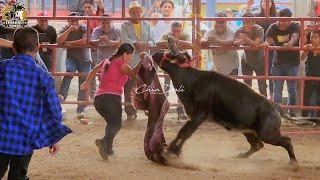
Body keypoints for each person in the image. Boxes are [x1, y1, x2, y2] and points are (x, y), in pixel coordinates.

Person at [0, 27, 71, 180]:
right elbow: (55, 112)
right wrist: (52, 138)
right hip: (25, 140)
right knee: (18, 176)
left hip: (2, 136)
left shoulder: (3, 68)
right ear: (38, 48)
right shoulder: (44, 77)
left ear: (13, 48)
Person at [80, 43, 139, 159]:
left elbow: (94, 69)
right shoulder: (122, 65)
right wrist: (143, 60)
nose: (131, 58)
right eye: (131, 56)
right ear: (125, 54)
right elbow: (135, 74)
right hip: (111, 98)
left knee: (111, 123)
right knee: (116, 124)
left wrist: (87, 82)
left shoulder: (107, 61)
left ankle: (109, 148)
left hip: (98, 100)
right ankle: (103, 142)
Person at [121, 1, 155, 121]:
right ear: (130, 13)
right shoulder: (125, 25)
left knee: (146, 85)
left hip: (144, 58)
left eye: (138, 11)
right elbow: (124, 39)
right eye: (133, 11)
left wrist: (148, 44)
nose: (136, 13)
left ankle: (147, 108)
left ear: (141, 12)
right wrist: (135, 43)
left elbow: (153, 39)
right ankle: (130, 111)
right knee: (129, 86)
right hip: (131, 59)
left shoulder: (147, 25)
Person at [264, 8, 300, 117]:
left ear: (290, 20)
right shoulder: (273, 27)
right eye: (280, 20)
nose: (281, 22)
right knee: (277, 89)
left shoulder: (295, 26)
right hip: (277, 62)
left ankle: (291, 112)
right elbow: (268, 40)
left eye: (284, 20)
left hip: (292, 62)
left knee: (292, 89)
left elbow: (295, 36)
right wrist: (266, 44)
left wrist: (291, 43)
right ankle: (278, 114)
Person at [57, 12, 92, 119]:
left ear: (79, 21)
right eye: (72, 21)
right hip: (71, 58)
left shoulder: (84, 27)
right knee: (69, 72)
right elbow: (59, 42)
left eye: (76, 20)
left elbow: (85, 41)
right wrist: (69, 30)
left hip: (85, 59)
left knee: (83, 81)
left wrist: (69, 44)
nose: (75, 23)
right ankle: (62, 96)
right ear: (68, 22)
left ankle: (80, 109)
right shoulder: (65, 29)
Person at [157, 21, 190, 120]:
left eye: (178, 31)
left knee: (180, 87)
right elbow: (158, 42)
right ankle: (162, 109)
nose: (176, 33)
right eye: (174, 31)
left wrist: (174, 41)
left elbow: (190, 43)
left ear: (182, 30)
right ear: (171, 30)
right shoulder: (166, 35)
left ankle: (180, 110)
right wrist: (173, 42)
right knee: (166, 87)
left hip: (181, 62)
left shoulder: (185, 35)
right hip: (169, 61)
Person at [234, 12, 267, 97]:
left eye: (248, 22)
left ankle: (265, 106)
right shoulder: (240, 30)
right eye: (244, 22)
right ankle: (248, 106)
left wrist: (245, 39)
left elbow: (256, 43)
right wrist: (239, 42)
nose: (246, 25)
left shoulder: (259, 29)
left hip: (259, 61)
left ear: (253, 22)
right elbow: (235, 42)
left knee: (262, 86)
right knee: (247, 86)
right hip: (246, 61)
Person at [301, 31, 320, 117]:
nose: (313, 39)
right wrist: (307, 50)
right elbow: (302, 58)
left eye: (315, 37)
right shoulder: (308, 47)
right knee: (306, 98)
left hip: (319, 76)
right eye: (312, 37)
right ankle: (304, 117)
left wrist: (316, 49)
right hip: (309, 75)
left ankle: (318, 118)